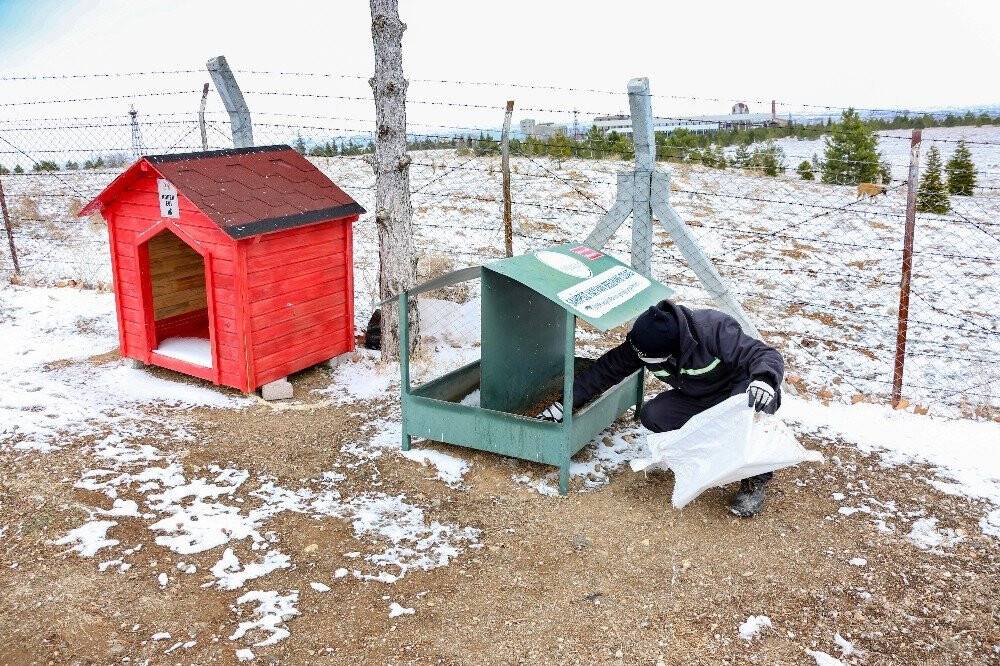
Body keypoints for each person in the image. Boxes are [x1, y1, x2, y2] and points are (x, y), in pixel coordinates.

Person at [539, 299, 784, 517]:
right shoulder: (646, 341)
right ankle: (703, 456)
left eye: (651, 361)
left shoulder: (713, 328)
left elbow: (762, 353)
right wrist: (565, 404)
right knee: (654, 414)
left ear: (672, 348)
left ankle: (754, 481)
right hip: (699, 397)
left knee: (748, 416)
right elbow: (605, 370)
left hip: (741, 393)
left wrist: (764, 379)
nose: (644, 362)